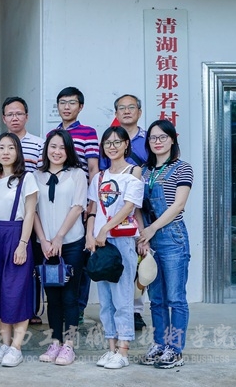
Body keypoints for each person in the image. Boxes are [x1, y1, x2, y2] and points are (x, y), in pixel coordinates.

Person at [136, 119, 193, 369]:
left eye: (162, 137)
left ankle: (175, 349)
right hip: (149, 238)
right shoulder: (143, 171)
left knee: (175, 298)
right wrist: (143, 235)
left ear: (172, 139)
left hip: (172, 237)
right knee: (156, 298)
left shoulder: (182, 168)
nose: (157, 142)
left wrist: (152, 228)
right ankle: (160, 344)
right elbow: (136, 206)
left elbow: (178, 205)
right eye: (152, 138)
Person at [86, 126, 143, 370]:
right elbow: (92, 209)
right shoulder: (99, 176)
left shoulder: (133, 172)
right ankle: (110, 349)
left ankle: (123, 350)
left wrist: (105, 229)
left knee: (123, 298)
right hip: (101, 243)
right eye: (108, 142)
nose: (112, 146)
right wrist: (90, 234)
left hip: (121, 240)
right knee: (106, 300)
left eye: (117, 142)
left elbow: (129, 207)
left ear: (126, 145)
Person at [32, 129, 87, 366]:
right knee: (52, 296)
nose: (57, 152)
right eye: (53, 146)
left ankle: (69, 345)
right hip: (44, 245)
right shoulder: (36, 175)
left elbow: (78, 207)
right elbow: (32, 211)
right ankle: (55, 342)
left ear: (69, 150)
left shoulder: (77, 174)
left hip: (71, 242)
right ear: (46, 149)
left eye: (62, 147)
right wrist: (44, 240)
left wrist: (59, 238)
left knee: (70, 296)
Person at [0, 133, 38, 368]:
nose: (5, 152)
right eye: (1, 148)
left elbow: (30, 213)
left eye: (11, 148)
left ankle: (17, 347)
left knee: (16, 290)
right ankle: (5, 344)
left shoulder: (27, 178)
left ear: (18, 152)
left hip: (16, 234)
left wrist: (23, 244)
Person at [52, 86, 100, 324]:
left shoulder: (88, 132)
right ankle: (60, 307)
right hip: (57, 201)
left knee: (79, 258)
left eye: (72, 103)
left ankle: (78, 308)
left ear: (80, 107)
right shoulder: (53, 133)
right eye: (62, 102)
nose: (67, 107)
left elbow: (93, 168)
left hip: (79, 200)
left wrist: (91, 204)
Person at [100, 94, 148, 331]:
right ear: (116, 113)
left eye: (131, 107)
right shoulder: (108, 149)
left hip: (142, 207)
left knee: (141, 262)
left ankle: (135, 312)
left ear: (139, 111)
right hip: (116, 213)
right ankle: (123, 323)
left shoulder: (149, 139)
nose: (126, 111)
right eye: (122, 108)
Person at [0, 97, 43, 176]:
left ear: (26, 117)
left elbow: (42, 174)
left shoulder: (40, 144)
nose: (15, 118)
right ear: (4, 119)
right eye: (10, 114)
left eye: (19, 114)